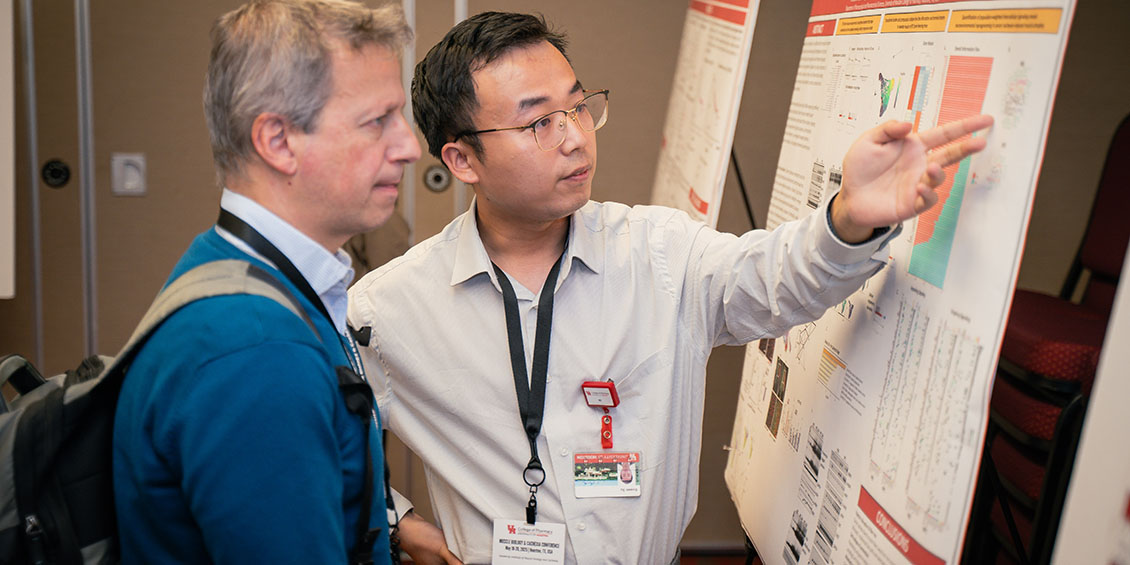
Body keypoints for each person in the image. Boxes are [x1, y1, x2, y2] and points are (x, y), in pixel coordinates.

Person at [347, 11, 993, 564]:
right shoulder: (390, 308)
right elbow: (315, 439)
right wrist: (397, 523)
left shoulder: (659, 253)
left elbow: (776, 279)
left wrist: (850, 217)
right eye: (538, 122)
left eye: (578, 105)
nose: (575, 137)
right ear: (461, 159)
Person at [112, 1, 459, 563]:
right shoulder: (256, 350)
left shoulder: (230, 266)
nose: (409, 147)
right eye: (377, 121)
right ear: (277, 142)